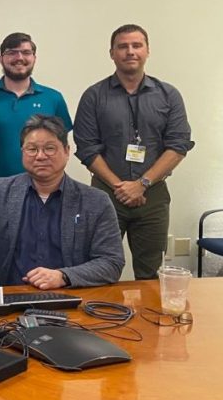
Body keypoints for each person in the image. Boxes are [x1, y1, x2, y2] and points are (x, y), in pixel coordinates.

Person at [74, 24, 194, 280]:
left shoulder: (169, 95)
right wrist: (120, 187)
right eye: (123, 46)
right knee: (97, 267)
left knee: (150, 273)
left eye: (136, 45)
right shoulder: (94, 96)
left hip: (153, 195)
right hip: (105, 194)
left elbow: (178, 145)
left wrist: (142, 184)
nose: (130, 51)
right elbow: (86, 148)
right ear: (112, 53)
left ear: (147, 50)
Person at [0, 115, 124, 289]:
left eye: (50, 148)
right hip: (8, 298)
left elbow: (111, 262)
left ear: (66, 151)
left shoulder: (96, 201)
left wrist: (64, 276)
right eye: (32, 149)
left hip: (71, 297)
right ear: (22, 152)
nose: (40, 156)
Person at [0, 32, 73, 198]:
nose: (19, 57)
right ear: (1, 59)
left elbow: (61, 147)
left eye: (26, 52)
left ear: (34, 58)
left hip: (45, 193)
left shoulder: (53, 98)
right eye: (12, 52)